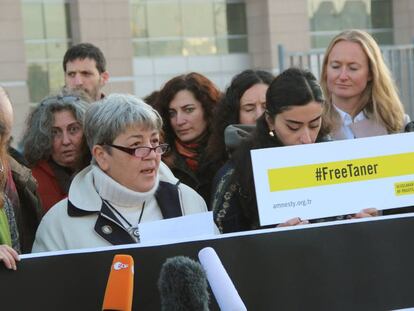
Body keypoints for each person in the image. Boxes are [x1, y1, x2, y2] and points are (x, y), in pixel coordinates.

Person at [32, 94, 208, 252]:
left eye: (155, 141)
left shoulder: (188, 201)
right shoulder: (59, 224)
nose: (152, 154)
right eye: (135, 145)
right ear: (102, 156)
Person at [212, 68, 377, 234]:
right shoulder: (237, 175)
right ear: (270, 121)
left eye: (314, 125)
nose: (306, 138)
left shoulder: (337, 160)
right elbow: (223, 247)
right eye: (293, 127)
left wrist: (365, 221)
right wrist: (272, 241)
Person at [320, 29, 408, 140]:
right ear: (325, 70)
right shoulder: (311, 125)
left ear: (371, 73)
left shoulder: (397, 124)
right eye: (335, 66)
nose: (342, 76)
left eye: (353, 68)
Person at [156, 72, 221, 207]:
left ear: (208, 109)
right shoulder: (158, 159)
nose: (179, 121)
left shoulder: (228, 152)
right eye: (172, 113)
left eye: (188, 110)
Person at [21, 89, 91, 212]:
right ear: (43, 137)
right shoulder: (31, 179)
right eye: (55, 132)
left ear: (87, 131)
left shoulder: (101, 169)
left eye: (73, 129)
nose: (65, 141)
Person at [206, 69, 274, 175]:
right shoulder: (220, 165)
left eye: (266, 107)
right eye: (249, 109)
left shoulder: (294, 148)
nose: (259, 115)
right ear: (235, 114)